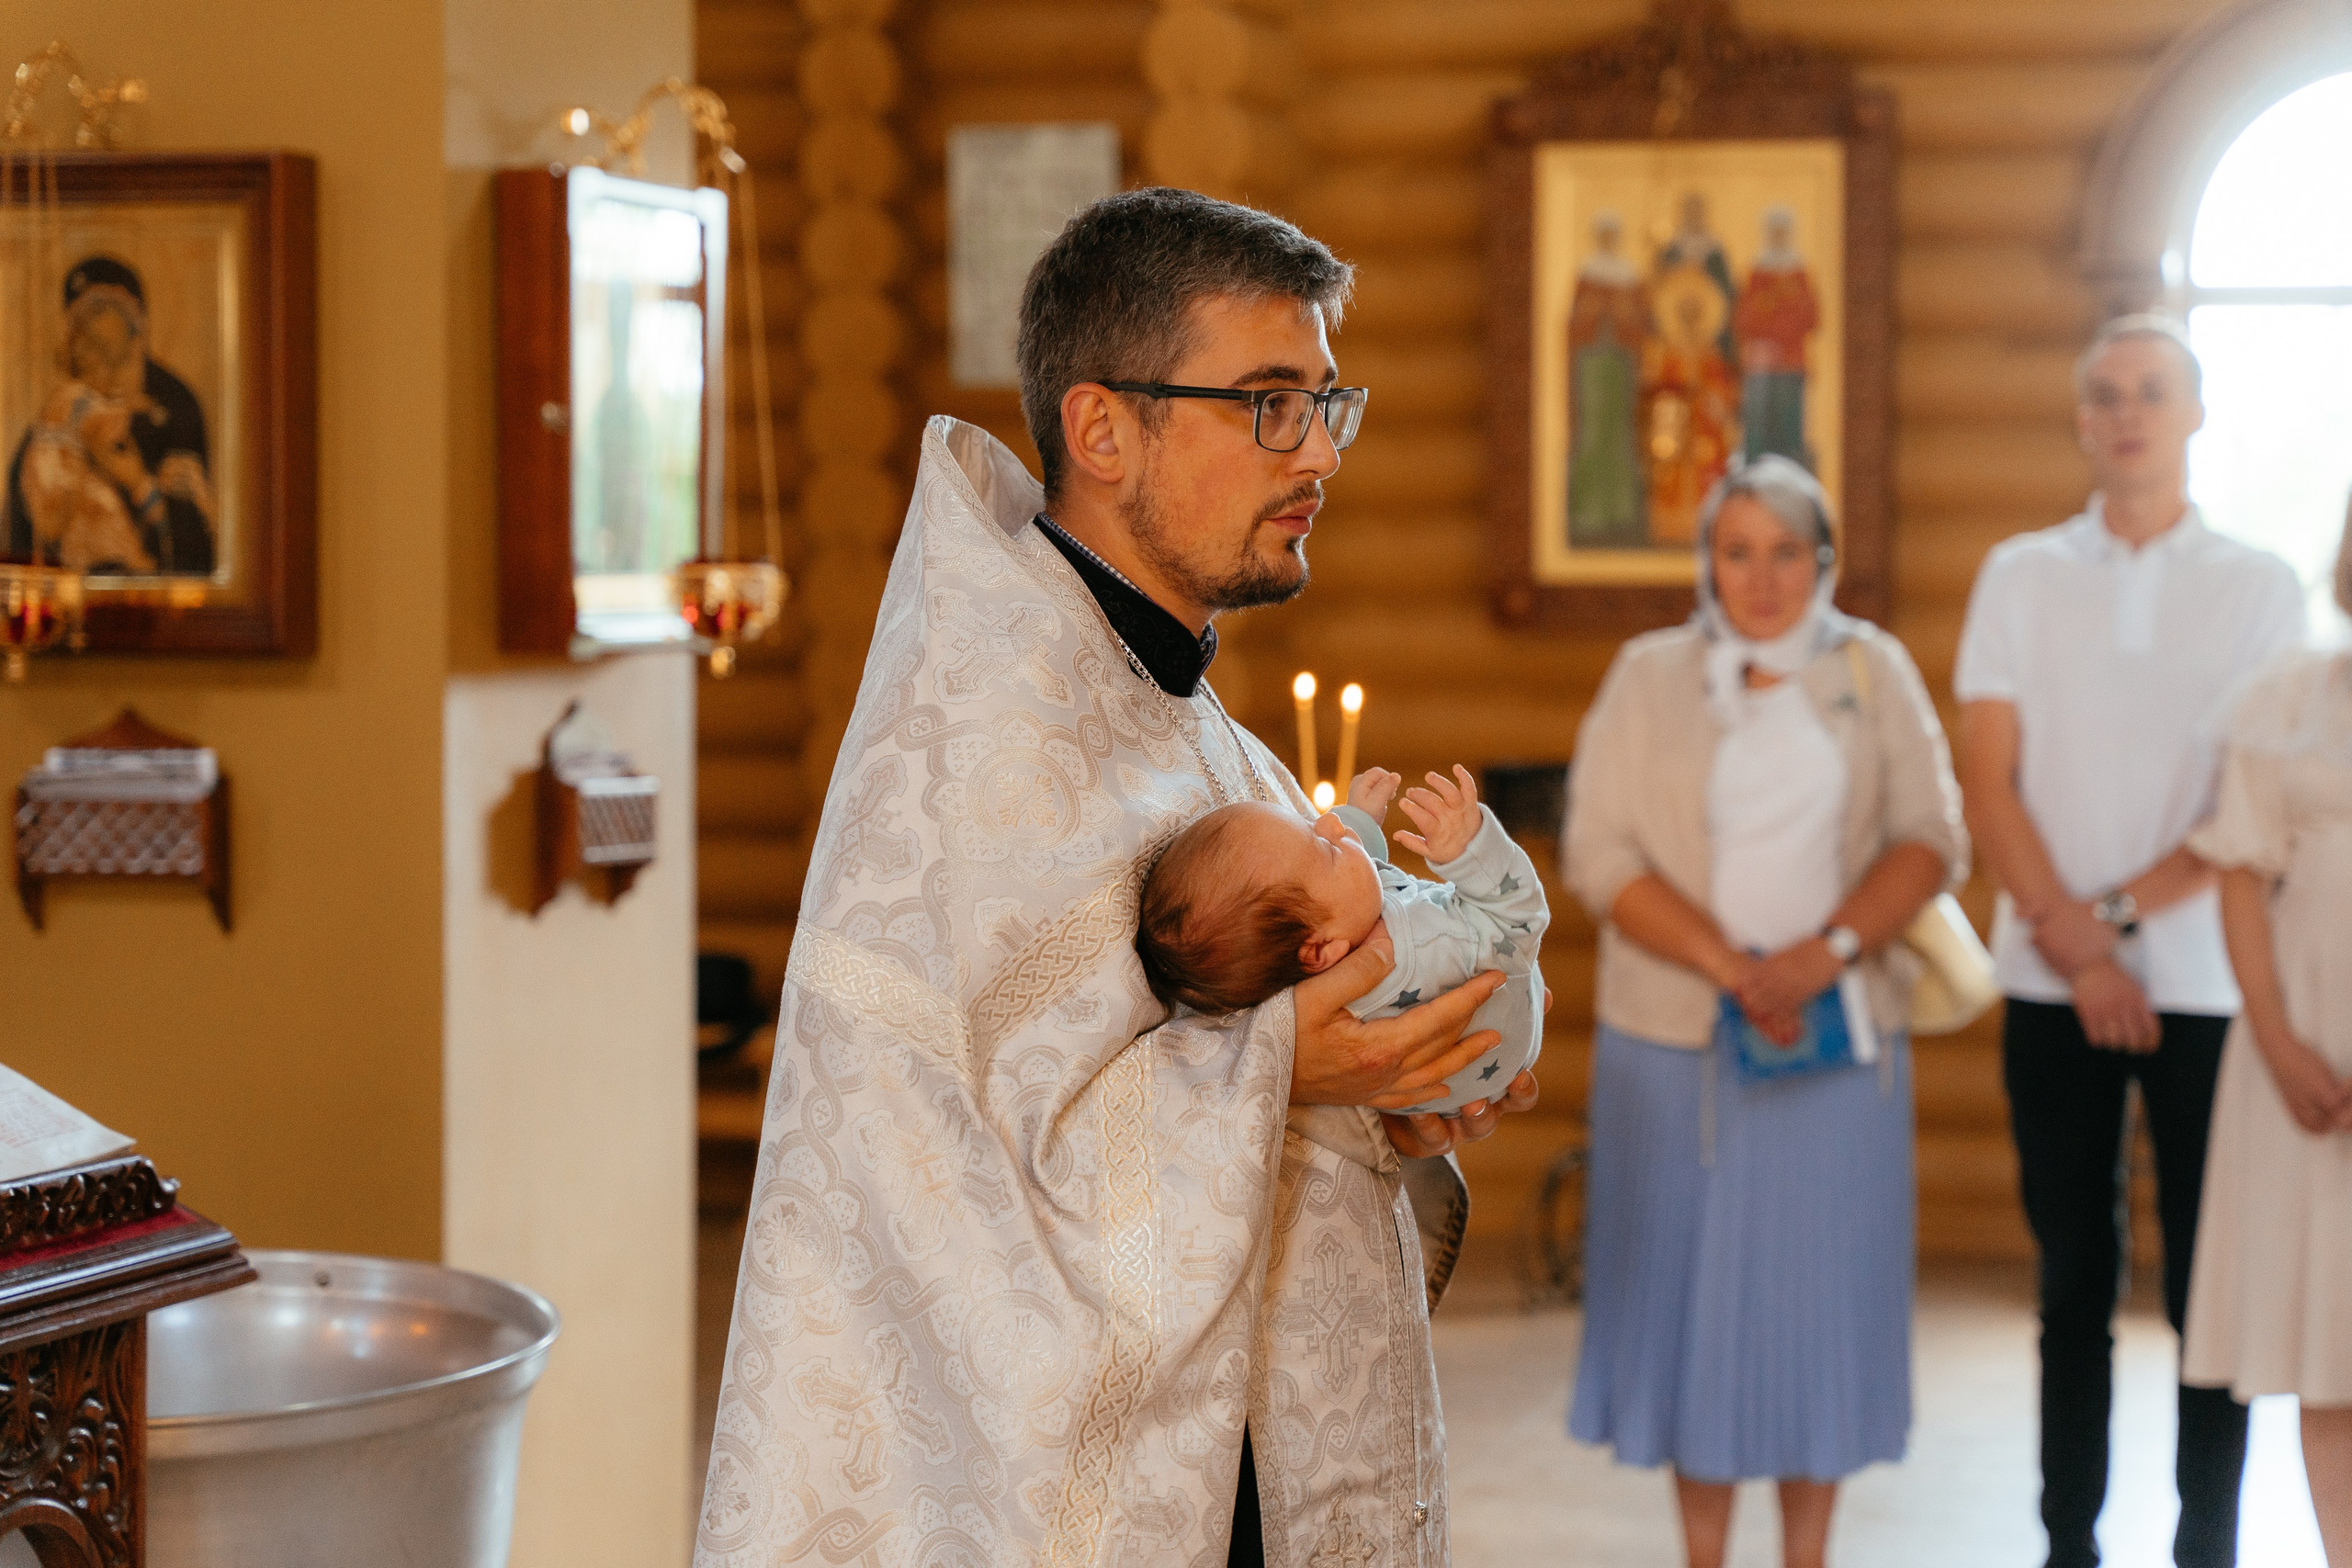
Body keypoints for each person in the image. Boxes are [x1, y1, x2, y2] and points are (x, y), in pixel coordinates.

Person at [695, 187, 1539, 1568]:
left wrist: (1401, 1089)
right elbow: (953, 1170)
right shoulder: (974, 735)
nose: (1318, 448)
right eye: (1268, 401)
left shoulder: (1190, 721)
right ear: (1102, 428)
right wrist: (1292, 1066)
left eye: (1331, 402)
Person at [1564, 454, 1967, 1568]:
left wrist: (1823, 953)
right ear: (1707, 563)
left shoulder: (1874, 671)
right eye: (1736, 550)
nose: (1762, 576)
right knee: (1698, 1321)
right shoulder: (1647, 676)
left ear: (1824, 562)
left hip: (1836, 1047)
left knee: (1815, 1320)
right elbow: (1598, 853)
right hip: (1677, 1047)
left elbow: (1934, 836)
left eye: (1786, 551)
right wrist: (1734, 967)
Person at [1953, 312, 2306, 1568]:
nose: (2126, 411)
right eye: (2103, 393)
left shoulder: (2259, 585)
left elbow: (2247, 804)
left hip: (2215, 982)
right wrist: (2077, 947)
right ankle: (2068, 1543)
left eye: (2151, 390)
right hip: (2049, 984)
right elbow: (1989, 776)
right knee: (2073, 1283)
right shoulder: (2020, 571)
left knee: (2215, 1288)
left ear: (2195, 410)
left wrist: (2111, 927)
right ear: (2081, 418)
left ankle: (2207, 1543)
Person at [2179, 503, 2352, 1567]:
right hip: (2299, 1052)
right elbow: (2240, 879)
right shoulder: (2284, 699)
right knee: (2327, 1337)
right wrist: (2282, 1044)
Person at [1137, 764, 1548, 1112]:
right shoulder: (1430, 947)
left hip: (1458, 1084)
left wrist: (1359, 822)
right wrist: (1474, 849)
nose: (1331, 823)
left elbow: (1340, 886)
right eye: (1326, 847)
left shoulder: (1300, 970)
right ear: (1319, 951)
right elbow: (1520, 920)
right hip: (1506, 1014)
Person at [1566, 209, 1652, 548]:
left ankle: (1620, 512)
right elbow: (1575, 321)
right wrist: (1594, 312)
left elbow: (1642, 320)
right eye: (1602, 235)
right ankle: (1589, 511)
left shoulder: (1629, 274)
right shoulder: (1586, 273)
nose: (1607, 240)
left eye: (1611, 235)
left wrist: (1621, 313)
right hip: (1591, 363)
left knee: (1621, 431)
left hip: (1622, 362)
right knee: (1593, 430)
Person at [1733, 206, 1819, 468]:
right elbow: (1744, 320)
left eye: (1783, 232)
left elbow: (1811, 317)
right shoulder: (1757, 273)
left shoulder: (1799, 273)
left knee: (1790, 428)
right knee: (1758, 427)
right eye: (1774, 232)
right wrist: (1770, 305)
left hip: (1791, 365)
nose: (1779, 237)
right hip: (1760, 365)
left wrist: (1778, 317)